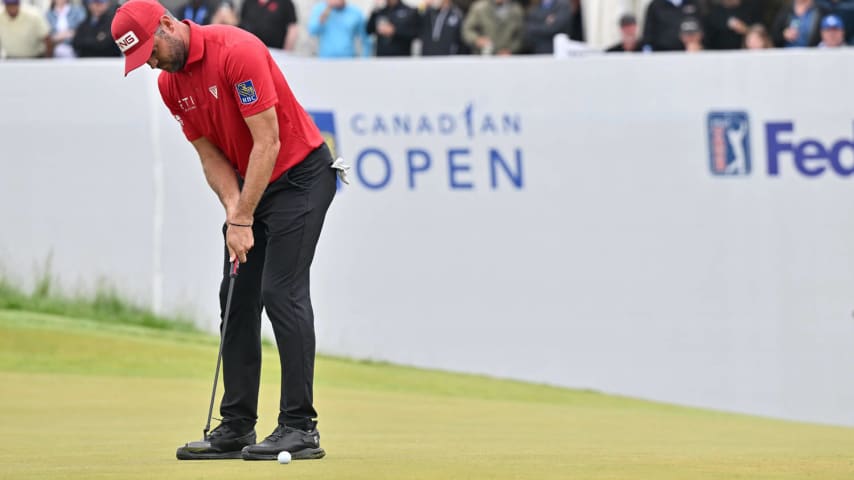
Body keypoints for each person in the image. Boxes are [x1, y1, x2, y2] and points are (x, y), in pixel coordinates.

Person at [110, 0, 339, 461]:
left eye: (150, 51)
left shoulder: (237, 50)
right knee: (235, 297)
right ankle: (236, 426)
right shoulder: (169, 84)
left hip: (299, 177)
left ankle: (300, 427)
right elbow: (209, 155)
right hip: (251, 184)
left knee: (281, 292)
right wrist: (235, 210)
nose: (150, 64)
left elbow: (267, 141)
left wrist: (242, 218)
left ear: (167, 25)